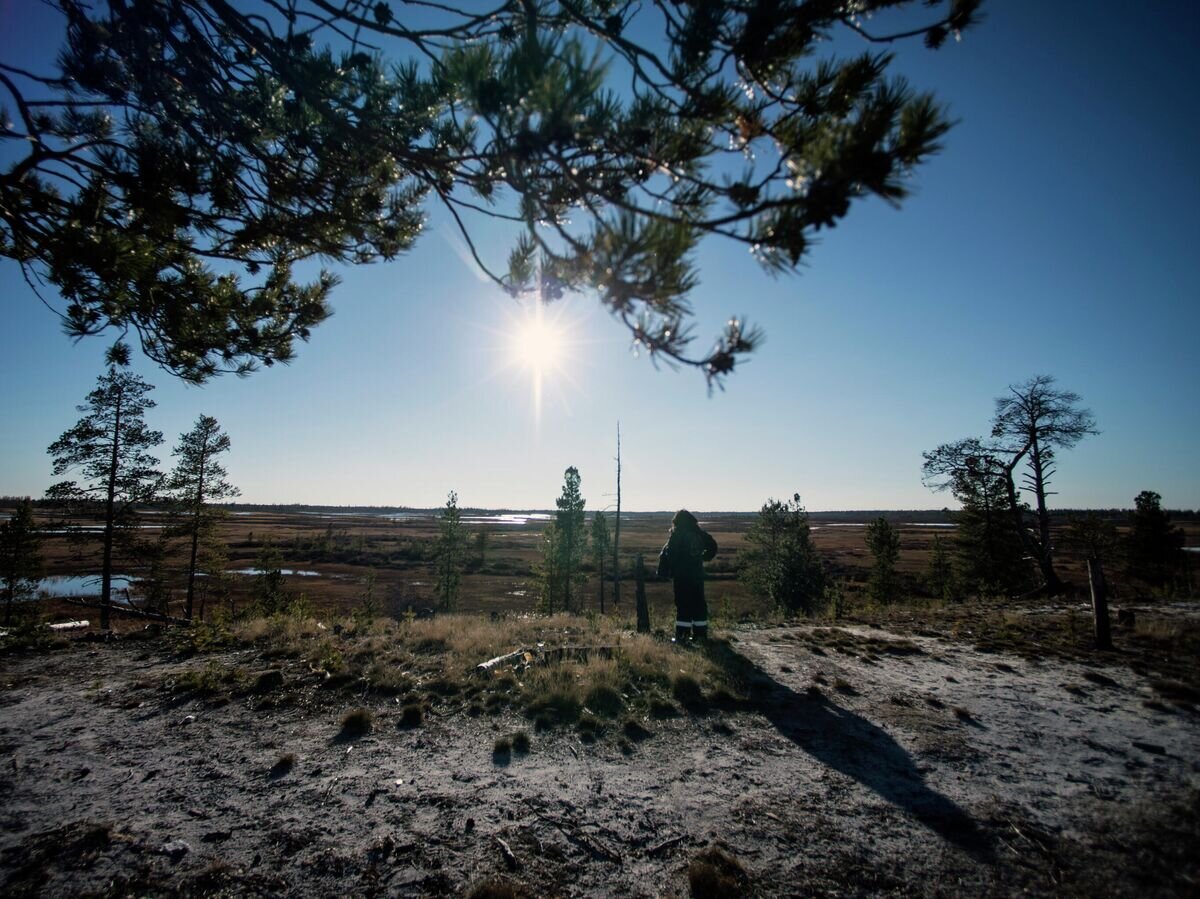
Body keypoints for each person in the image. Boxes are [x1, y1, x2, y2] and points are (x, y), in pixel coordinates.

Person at [657, 509, 718, 642]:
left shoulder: (677, 534)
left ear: (677, 521)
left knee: (683, 604)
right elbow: (713, 546)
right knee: (699, 604)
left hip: (682, 577)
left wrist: (672, 569)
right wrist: (703, 557)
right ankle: (700, 635)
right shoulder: (699, 533)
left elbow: (671, 555)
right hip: (697, 576)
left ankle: (682, 636)